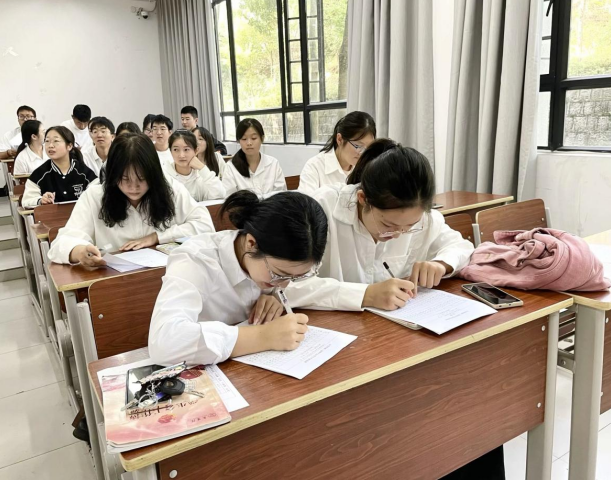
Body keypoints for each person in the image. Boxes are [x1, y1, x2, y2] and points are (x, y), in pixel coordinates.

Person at [286, 139, 474, 311]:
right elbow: (287, 285)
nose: (399, 234)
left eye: (410, 225)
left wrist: (441, 264)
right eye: (388, 224)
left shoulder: (423, 217)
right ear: (362, 198)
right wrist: (366, 294)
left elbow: (462, 247)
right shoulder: (320, 209)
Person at [148, 190, 328, 366]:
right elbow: (164, 344)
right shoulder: (195, 260)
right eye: (278, 274)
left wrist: (274, 297)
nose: (284, 284)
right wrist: (263, 336)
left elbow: (314, 288)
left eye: (295, 277)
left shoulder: (269, 264)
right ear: (251, 244)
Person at [47, 133, 215, 266]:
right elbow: (60, 244)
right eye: (125, 179)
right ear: (113, 175)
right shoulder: (95, 196)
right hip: (116, 282)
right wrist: (79, 252)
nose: (133, 187)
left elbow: (205, 225)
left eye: (142, 178)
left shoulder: (169, 189)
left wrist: (157, 237)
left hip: (167, 276)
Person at [298, 111, 376, 196]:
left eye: (367, 148)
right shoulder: (315, 166)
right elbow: (305, 203)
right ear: (339, 139)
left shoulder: (367, 167)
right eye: (358, 146)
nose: (362, 153)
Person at [22, 126, 97, 208]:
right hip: (50, 216)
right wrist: (41, 200)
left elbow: (97, 196)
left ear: (69, 146)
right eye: (47, 141)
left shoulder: (84, 172)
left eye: (56, 141)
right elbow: (26, 201)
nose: (50, 145)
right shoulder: (39, 175)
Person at [222, 118, 286, 196]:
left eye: (254, 138)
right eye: (244, 139)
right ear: (239, 141)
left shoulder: (273, 164)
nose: (249, 143)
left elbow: (281, 195)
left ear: (262, 138)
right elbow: (230, 198)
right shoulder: (231, 167)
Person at [165, 130, 225, 201]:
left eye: (186, 149)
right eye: (175, 149)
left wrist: (203, 168)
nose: (181, 155)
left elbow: (220, 194)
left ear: (196, 151)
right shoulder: (164, 175)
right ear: (170, 151)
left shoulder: (200, 176)